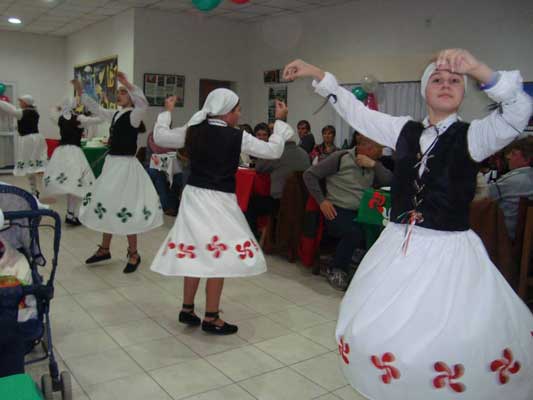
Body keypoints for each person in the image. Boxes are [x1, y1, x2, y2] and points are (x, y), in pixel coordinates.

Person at [284, 49, 533, 399]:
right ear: (424, 89)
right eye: (437, 79)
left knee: (445, 338)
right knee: (387, 332)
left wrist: (478, 69)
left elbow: (519, 111)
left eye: (454, 80)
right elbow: (356, 112)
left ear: (464, 91)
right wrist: (317, 72)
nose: (446, 84)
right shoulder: (404, 129)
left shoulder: (475, 135)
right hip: (398, 246)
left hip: (449, 254)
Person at [150, 92, 294, 335]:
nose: (240, 114)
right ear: (227, 111)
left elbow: (160, 136)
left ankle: (187, 308)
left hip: (194, 196)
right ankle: (211, 316)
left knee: (195, 250)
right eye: (238, 110)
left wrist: (167, 112)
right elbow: (273, 151)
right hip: (219, 199)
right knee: (219, 256)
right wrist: (279, 122)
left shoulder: (194, 129)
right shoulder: (237, 136)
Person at [74, 72, 163, 274]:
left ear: (130, 96)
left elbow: (143, 104)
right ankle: (105, 249)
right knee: (108, 202)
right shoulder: (116, 114)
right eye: (119, 92)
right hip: (112, 165)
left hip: (126, 168)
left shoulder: (134, 114)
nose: (119, 95)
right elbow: (96, 108)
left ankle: (133, 253)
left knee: (126, 205)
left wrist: (129, 84)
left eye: (123, 93)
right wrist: (82, 92)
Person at [303, 134, 392, 290]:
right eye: (379, 148)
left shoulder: (374, 164)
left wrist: (374, 164)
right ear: (367, 147)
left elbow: (391, 182)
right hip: (337, 209)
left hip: (361, 212)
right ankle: (337, 268)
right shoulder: (341, 157)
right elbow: (309, 175)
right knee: (354, 232)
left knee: (380, 229)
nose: (382, 152)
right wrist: (321, 201)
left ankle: (363, 263)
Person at [43, 94, 103, 225]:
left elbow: (52, 110)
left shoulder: (58, 118)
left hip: (61, 153)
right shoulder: (79, 119)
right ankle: (71, 213)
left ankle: (71, 214)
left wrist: (60, 105)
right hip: (74, 153)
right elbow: (100, 119)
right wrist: (93, 108)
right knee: (77, 183)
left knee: (72, 183)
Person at [245, 126, 310, 238]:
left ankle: (254, 237)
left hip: (280, 201)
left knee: (250, 203)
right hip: (302, 200)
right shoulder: (305, 154)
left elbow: (259, 168)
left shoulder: (277, 153)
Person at [0, 94, 47, 196]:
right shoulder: (34, 111)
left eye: (21, 101)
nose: (19, 103)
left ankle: (34, 190)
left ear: (25, 103)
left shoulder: (22, 112)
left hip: (28, 140)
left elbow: (10, 110)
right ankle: (34, 190)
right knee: (32, 166)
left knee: (29, 166)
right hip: (36, 139)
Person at [487, 138, 533, 240]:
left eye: (513, 154)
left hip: (504, 238)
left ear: (526, 159)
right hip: (525, 239)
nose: (508, 157)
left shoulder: (512, 180)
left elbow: (483, 196)